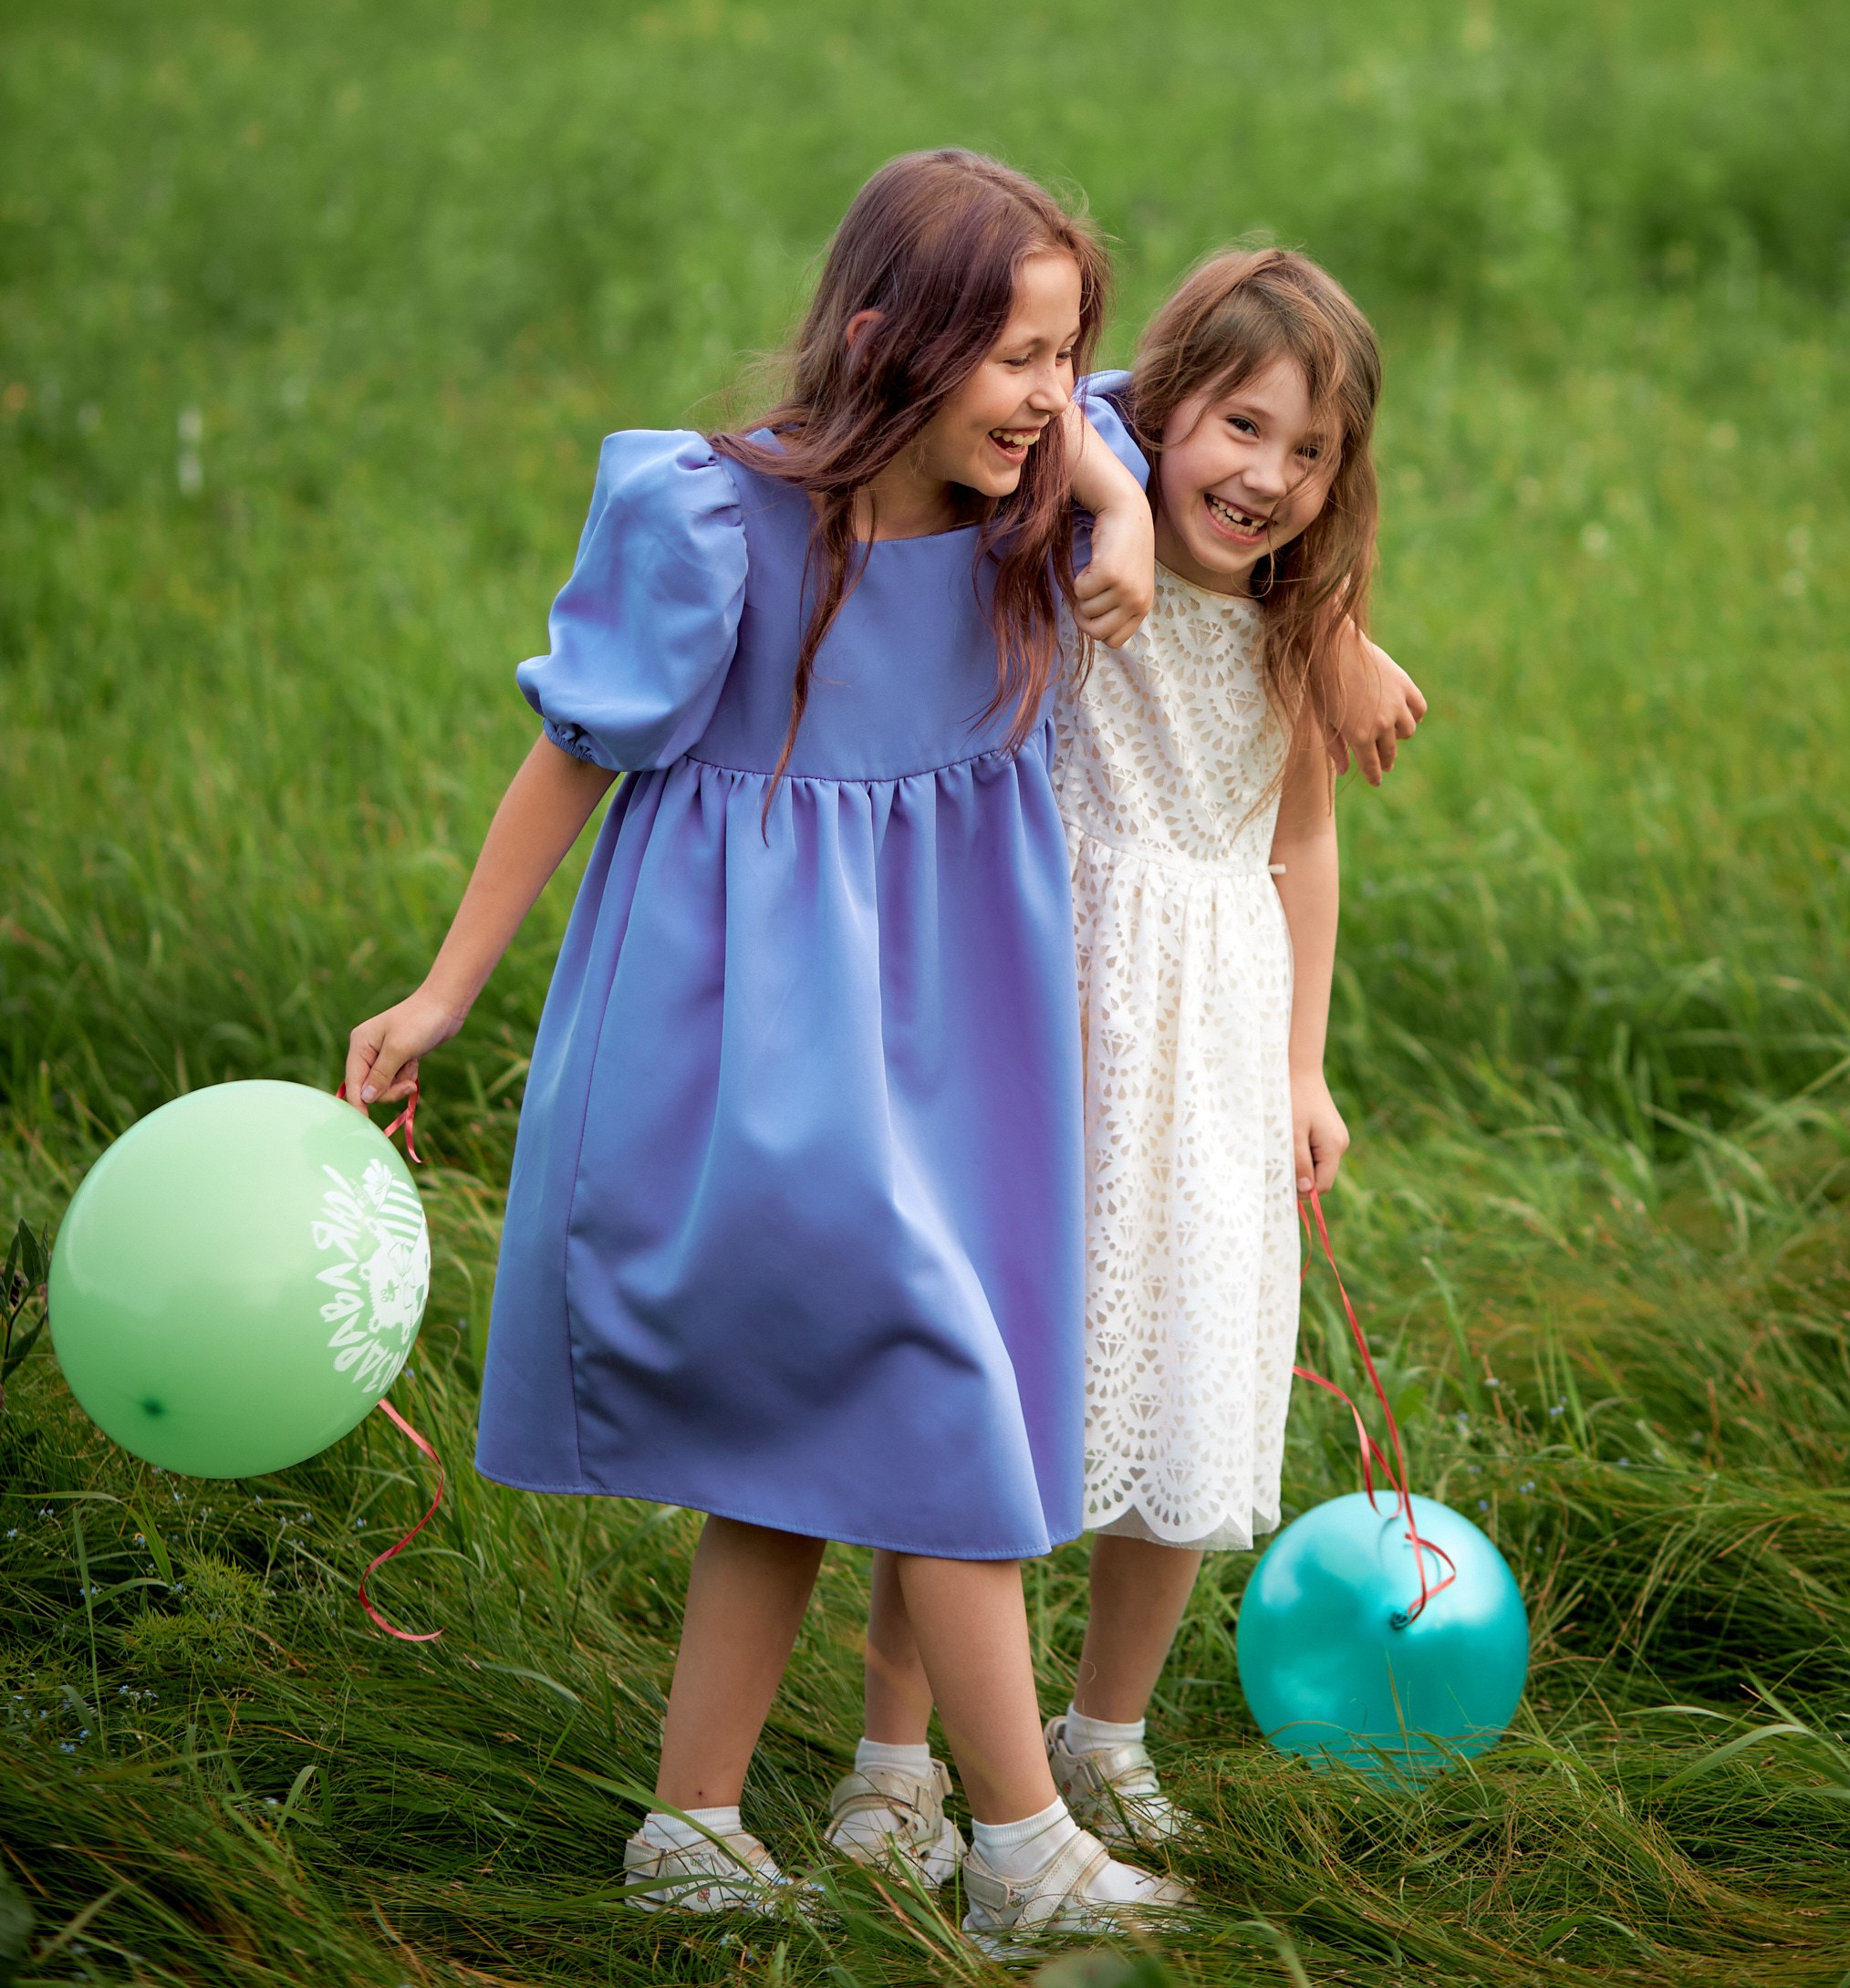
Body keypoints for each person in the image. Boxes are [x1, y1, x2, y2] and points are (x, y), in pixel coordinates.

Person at [340, 149, 1191, 1945]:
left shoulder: (1040, 492)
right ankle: (1024, 1848)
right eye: (1016, 358)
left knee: (799, 1452)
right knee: (932, 1384)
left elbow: (1142, 431)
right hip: (753, 1047)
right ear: (885, 339)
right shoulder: (715, 524)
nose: (1049, 400)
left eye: (1066, 358)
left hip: (959, 1047)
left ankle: (695, 1828)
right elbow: (574, 749)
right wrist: (444, 991)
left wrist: (1111, 496)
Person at [835, 245, 1418, 1865]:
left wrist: (1304, 1067)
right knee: (986, 1399)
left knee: (1183, 1383)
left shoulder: (1302, 619)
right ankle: (896, 1759)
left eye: (1313, 454)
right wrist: (1133, 506)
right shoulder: (1078, 545)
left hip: (1218, 1035)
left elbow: (1306, 847)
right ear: (1164, 411)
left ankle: (1106, 1733)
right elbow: (1066, 413)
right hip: (1047, 1012)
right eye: (1242, 428)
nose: (1272, 478)